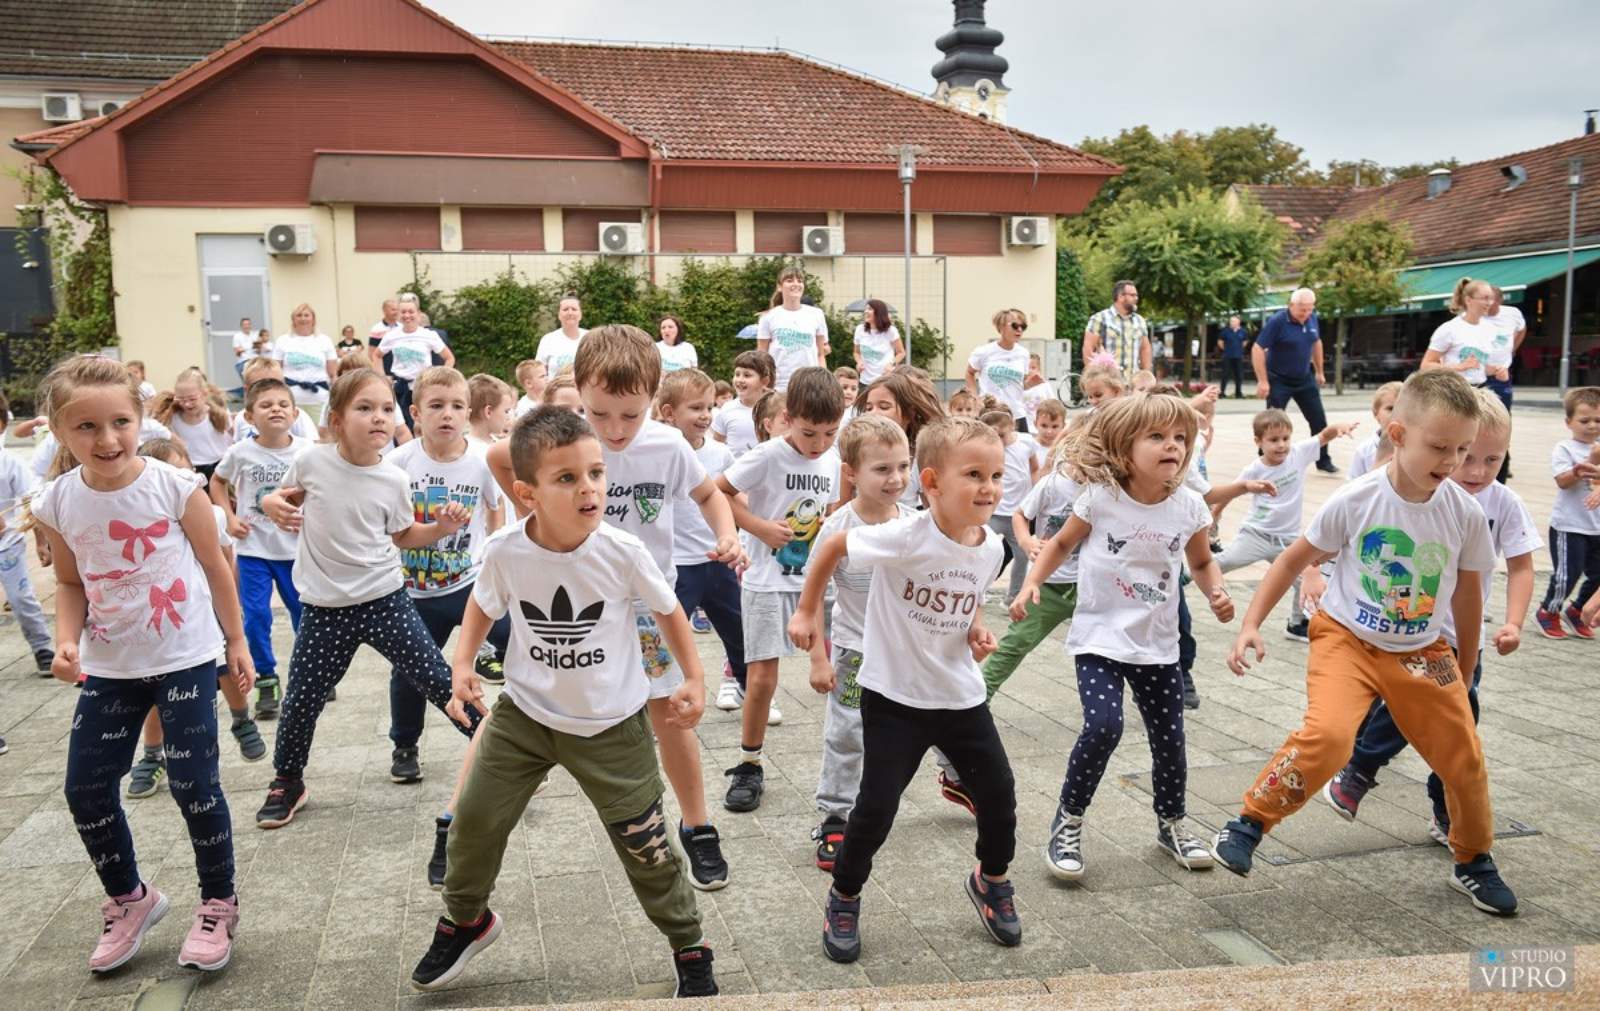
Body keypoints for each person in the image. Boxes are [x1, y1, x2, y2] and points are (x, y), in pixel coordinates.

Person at [409, 407, 718, 997]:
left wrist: (695, 677)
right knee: (472, 825)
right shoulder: (505, 550)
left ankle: (690, 945)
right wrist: (462, 662)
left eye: (596, 473)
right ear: (527, 493)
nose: (590, 488)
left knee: (647, 847)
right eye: (568, 478)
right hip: (523, 717)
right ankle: (466, 922)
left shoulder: (621, 550)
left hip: (610, 728)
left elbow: (669, 610)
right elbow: (483, 603)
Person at [1214, 369, 1518, 917]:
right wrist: (1251, 624)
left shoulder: (1465, 513)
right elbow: (1291, 560)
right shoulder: (1357, 499)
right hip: (1346, 639)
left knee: (1464, 757)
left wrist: (1465, 668)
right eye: (1440, 447)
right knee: (1329, 739)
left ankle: (1474, 860)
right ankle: (1250, 821)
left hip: (1424, 653)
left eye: (1464, 450)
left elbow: (1468, 597)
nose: (1453, 464)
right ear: (1398, 435)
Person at [487, 327, 742, 889]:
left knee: (670, 713)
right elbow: (499, 456)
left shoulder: (668, 445)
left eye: (630, 415)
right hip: (578, 609)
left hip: (648, 609)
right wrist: (538, 518)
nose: (615, 430)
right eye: (601, 414)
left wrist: (729, 535)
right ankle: (465, 819)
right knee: (533, 710)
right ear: (579, 390)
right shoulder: (565, 440)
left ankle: (698, 827)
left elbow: (709, 496)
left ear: (654, 398)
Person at [30, 355, 253, 973]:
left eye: (120, 422)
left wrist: (236, 644)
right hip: (109, 667)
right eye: (86, 428)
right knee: (85, 788)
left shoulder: (174, 486)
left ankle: (218, 901)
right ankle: (130, 898)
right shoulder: (57, 501)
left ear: (138, 417)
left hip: (183, 658)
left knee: (194, 785)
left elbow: (215, 566)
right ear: (57, 430)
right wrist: (66, 641)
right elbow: (71, 585)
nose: (107, 440)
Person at [789, 416, 1018, 962]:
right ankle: (844, 895)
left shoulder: (992, 547)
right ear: (934, 483)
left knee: (1001, 797)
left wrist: (976, 628)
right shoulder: (905, 534)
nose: (988, 487)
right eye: (974, 475)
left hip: (960, 697)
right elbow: (834, 545)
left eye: (996, 475)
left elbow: (971, 593)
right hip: (894, 700)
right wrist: (805, 612)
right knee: (876, 809)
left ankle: (992, 879)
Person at [252, 368, 481, 829]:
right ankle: (288, 781)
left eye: (384, 409)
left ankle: (499, 752)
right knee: (301, 701)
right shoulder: (312, 462)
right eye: (364, 408)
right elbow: (283, 496)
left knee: (439, 680)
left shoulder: (393, 478)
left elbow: (402, 536)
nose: (378, 417)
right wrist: (270, 504)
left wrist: (441, 529)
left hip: (385, 600)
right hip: (323, 610)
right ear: (336, 419)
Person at [1013, 393, 1230, 880]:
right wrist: (1031, 582)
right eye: (1156, 437)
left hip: (1158, 645)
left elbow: (1200, 561)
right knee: (1104, 726)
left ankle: (1171, 822)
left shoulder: (1189, 505)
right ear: (1123, 447)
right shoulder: (1100, 499)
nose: (1171, 446)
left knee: (1170, 740)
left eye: (1179, 437)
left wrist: (1216, 591)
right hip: (1100, 639)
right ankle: (1067, 821)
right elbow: (1063, 543)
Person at [1321, 389, 1538, 841]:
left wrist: (1514, 622)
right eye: (1465, 456)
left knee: (1458, 731)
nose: (1475, 470)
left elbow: (1520, 566)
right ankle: (1361, 768)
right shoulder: (1423, 491)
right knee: (1411, 710)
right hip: (1412, 631)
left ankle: (1443, 814)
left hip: (1465, 637)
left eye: (1491, 459)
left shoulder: (1502, 504)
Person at [718, 367, 844, 814]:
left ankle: (850, 767)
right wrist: (758, 527)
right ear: (787, 418)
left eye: (830, 433)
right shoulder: (769, 455)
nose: (819, 444)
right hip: (768, 581)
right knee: (762, 679)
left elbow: (831, 514)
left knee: (840, 673)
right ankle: (749, 763)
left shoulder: (831, 459)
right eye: (810, 433)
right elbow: (720, 491)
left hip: (815, 581)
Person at [808, 415, 908, 871]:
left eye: (903, 467)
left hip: (907, 653)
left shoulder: (917, 524)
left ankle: (958, 774)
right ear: (851, 473)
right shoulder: (836, 529)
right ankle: (835, 814)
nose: (897, 479)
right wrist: (818, 658)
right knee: (847, 732)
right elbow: (812, 600)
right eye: (883, 469)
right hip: (854, 652)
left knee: (933, 722)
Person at [210, 378, 311, 721]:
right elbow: (217, 481)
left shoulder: (307, 450)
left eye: (283, 404)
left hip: (296, 550)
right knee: (255, 616)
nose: (276, 410)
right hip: (253, 549)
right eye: (266, 405)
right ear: (250, 417)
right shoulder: (240, 452)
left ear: (295, 413)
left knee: (304, 615)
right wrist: (227, 515)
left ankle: (310, 674)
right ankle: (267, 678)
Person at [1214, 410, 1358, 643]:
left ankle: (1297, 623)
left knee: (1304, 580)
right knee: (1226, 561)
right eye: (1273, 440)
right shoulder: (1254, 469)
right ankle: (1184, 578)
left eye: (1285, 439)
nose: (1281, 445)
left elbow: (1323, 436)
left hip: (1288, 539)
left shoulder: (1298, 454)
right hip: (1256, 535)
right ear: (1258, 442)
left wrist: (1338, 427)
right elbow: (1231, 492)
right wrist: (1215, 514)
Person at [657, 370, 749, 715]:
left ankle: (748, 690)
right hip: (678, 565)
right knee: (667, 640)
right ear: (669, 412)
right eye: (695, 408)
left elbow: (731, 500)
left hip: (717, 559)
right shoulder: (660, 451)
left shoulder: (720, 454)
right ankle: (662, 701)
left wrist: (741, 541)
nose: (706, 415)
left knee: (739, 631)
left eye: (709, 406)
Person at [1534, 386, 1600, 639]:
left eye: (1598, 420)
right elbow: (1562, 481)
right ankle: (1547, 611)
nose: (1592, 426)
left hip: (1596, 527)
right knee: (1567, 575)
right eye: (1585, 420)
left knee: (1597, 575)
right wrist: (1585, 467)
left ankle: (1577, 610)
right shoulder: (1565, 449)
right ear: (1569, 422)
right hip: (1570, 526)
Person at [1252, 288, 1336, 473]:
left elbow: (1316, 342)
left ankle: (1323, 460)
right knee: (1272, 423)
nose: (1306, 314)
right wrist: (1263, 381)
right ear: (1291, 305)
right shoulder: (1278, 321)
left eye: (1309, 309)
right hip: (1278, 379)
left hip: (1304, 378)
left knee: (1318, 420)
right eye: (1301, 309)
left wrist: (1319, 371)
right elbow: (1258, 348)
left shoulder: (1312, 318)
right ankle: (1264, 462)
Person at [0, 393, 53, 680]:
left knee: (21, 598)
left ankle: (43, 648)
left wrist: (41, 542)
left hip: (7, 546)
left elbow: (30, 503)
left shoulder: (10, 463)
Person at [854, 372, 944, 511]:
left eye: (884, 407)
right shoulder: (856, 450)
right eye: (869, 408)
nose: (873, 413)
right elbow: (842, 505)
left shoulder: (921, 457)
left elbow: (934, 513)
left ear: (909, 413)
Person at [981, 410, 1038, 603]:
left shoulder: (1026, 443)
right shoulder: (987, 449)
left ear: (1012, 427)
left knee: (1022, 557)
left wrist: (1033, 493)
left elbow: (1035, 467)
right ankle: (978, 591)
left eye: (1001, 435)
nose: (998, 440)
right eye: (992, 436)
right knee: (980, 550)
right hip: (994, 513)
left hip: (1017, 515)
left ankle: (1012, 596)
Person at [378, 301, 455, 433]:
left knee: (423, 423)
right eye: (403, 312)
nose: (407, 315)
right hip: (400, 386)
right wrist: (382, 377)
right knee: (401, 424)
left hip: (422, 384)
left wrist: (441, 377)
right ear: (398, 315)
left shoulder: (428, 335)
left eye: (411, 311)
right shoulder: (391, 335)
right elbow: (377, 355)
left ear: (418, 314)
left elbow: (449, 358)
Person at [153, 367, 233, 479]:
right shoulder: (174, 419)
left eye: (192, 399)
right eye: (181, 399)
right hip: (192, 472)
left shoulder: (218, 414)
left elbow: (236, 437)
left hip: (221, 469)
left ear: (204, 394)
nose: (187, 404)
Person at [757, 267, 828, 392]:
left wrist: (824, 381)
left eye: (799, 281)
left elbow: (820, 354)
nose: (796, 284)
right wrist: (765, 384)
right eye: (790, 280)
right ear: (779, 287)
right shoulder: (768, 317)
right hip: (779, 385)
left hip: (810, 384)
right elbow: (762, 355)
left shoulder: (816, 314)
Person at [270, 303, 340, 424]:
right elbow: (275, 372)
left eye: (306, 315)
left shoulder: (324, 340)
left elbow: (333, 374)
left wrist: (336, 397)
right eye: (299, 315)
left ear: (313, 319)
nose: (303, 318)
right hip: (290, 400)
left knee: (320, 436)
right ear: (293, 320)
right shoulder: (283, 340)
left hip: (319, 399)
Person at [965, 308, 1031, 430]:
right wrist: (975, 398)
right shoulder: (984, 351)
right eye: (1015, 325)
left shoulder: (1024, 354)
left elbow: (1021, 384)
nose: (1020, 330)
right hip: (990, 412)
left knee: (1020, 448)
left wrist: (1031, 384)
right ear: (1001, 327)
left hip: (1016, 414)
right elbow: (970, 373)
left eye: (1023, 326)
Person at [710, 349, 774, 459]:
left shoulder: (773, 408)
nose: (740, 379)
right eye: (737, 374)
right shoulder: (727, 409)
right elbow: (717, 444)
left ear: (764, 381)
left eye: (747, 375)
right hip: (735, 472)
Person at [1082, 281, 1151, 376]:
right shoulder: (1099, 318)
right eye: (1132, 295)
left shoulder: (1140, 321)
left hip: (1133, 383)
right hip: (1108, 382)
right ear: (1120, 297)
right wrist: (1092, 377)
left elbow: (1145, 348)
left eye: (1136, 295)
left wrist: (1146, 375)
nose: (1136, 298)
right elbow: (1088, 348)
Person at [1348, 382, 1402, 480]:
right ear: (1376, 413)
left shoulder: (1418, 446)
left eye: (1403, 408)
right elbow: (1352, 484)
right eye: (1390, 408)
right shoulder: (1364, 451)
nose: (1397, 413)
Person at [852, 298, 904, 384]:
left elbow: (901, 353)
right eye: (865, 309)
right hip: (864, 382)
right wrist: (859, 362)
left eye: (870, 309)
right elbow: (856, 353)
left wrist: (892, 364)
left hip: (885, 381)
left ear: (879, 312)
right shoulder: (859, 330)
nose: (866, 312)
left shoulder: (891, 331)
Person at [534, 294, 587, 376]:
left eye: (574, 309)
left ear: (580, 314)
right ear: (559, 315)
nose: (570, 313)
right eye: (565, 309)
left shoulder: (590, 337)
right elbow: (538, 372)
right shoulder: (548, 340)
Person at [466, 373, 515, 447]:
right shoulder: (474, 451)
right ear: (488, 412)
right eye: (506, 411)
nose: (508, 417)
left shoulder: (496, 442)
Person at [1216, 315, 1249, 398]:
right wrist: (1226, 349)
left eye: (1234, 321)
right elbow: (1220, 342)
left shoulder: (1243, 332)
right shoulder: (1225, 331)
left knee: (1239, 375)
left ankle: (1238, 393)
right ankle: (1222, 392)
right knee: (1225, 374)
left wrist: (1238, 349)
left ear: (1238, 322)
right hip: (1227, 355)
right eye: (1231, 321)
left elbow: (1245, 342)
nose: (1232, 323)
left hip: (1238, 356)